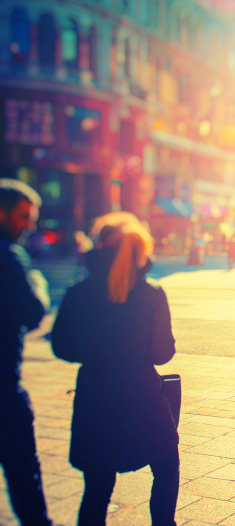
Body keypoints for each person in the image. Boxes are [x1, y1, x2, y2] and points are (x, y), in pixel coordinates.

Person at [51, 212, 180, 526]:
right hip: (143, 397)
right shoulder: (151, 295)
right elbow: (162, 354)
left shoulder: (78, 293)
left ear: (98, 246)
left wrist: (95, 353)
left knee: (96, 487)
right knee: (165, 466)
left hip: (95, 396)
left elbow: (61, 347)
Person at [0, 179, 54, 526]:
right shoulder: (8, 255)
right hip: (3, 386)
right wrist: (37, 281)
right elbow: (34, 312)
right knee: (23, 470)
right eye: (23, 216)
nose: (28, 225)